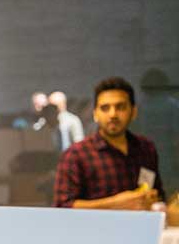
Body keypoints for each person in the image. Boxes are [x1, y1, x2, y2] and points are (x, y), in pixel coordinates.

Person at [54, 77, 166, 209]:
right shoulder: (76, 155)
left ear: (133, 112)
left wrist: (153, 199)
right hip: (96, 229)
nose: (113, 114)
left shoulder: (146, 148)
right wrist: (116, 204)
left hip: (143, 227)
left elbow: (158, 194)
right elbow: (63, 206)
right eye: (105, 108)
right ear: (95, 114)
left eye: (121, 107)